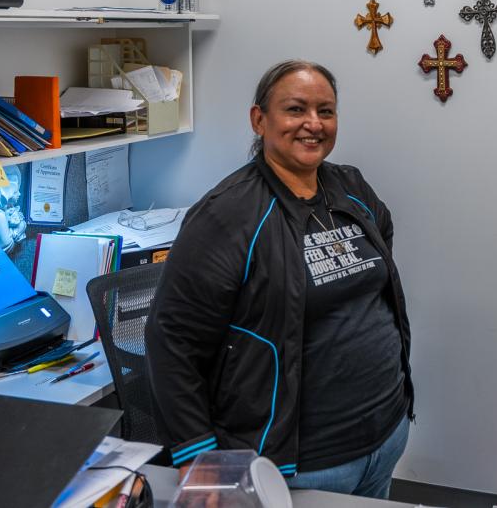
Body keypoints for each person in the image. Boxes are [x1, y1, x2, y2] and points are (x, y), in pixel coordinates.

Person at [146, 60, 414, 497]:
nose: (313, 124)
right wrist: (197, 456)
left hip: (385, 435)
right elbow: (171, 339)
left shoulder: (350, 187)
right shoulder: (227, 215)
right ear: (260, 119)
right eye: (295, 109)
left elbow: (380, 249)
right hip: (301, 463)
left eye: (325, 111)